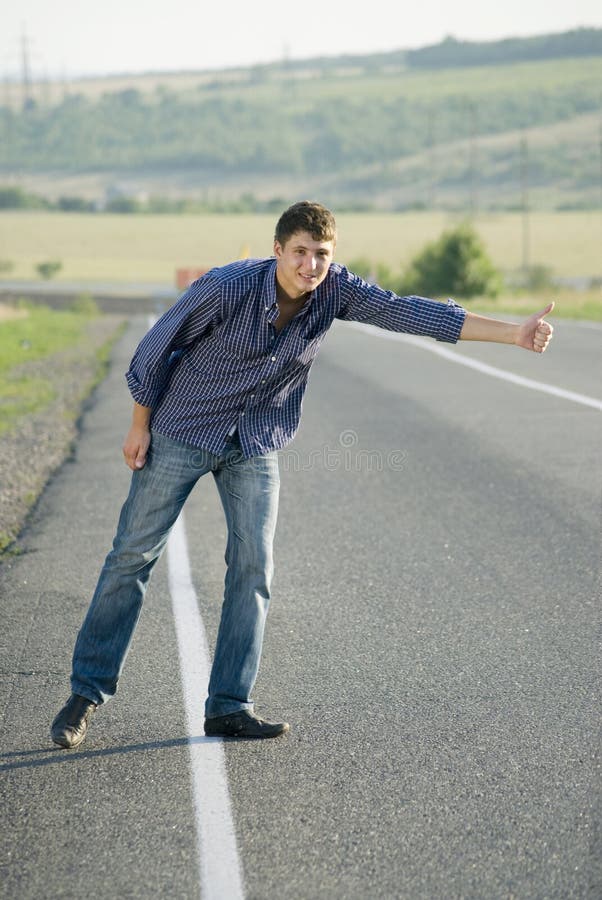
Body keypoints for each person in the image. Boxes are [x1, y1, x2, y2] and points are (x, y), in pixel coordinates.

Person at [51, 200, 554, 748]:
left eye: (321, 255)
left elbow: (412, 313)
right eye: (300, 253)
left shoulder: (336, 290)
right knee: (132, 556)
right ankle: (85, 694)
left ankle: (228, 706)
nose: (310, 266)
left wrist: (514, 334)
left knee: (254, 568)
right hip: (182, 428)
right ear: (277, 251)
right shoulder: (226, 287)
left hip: (255, 441)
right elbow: (154, 349)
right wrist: (138, 425)